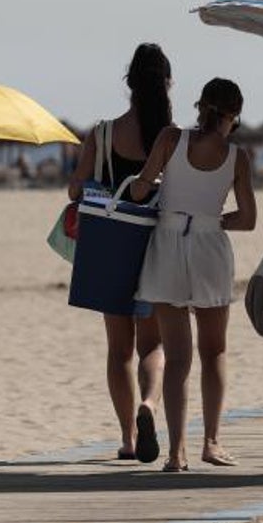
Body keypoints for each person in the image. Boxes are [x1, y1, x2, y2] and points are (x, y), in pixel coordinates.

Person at [133, 78, 256, 472]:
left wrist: (145, 188)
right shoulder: (237, 156)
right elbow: (249, 219)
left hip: (167, 242)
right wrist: (217, 219)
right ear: (233, 117)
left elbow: (139, 191)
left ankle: (176, 453)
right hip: (208, 243)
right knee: (214, 350)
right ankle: (212, 442)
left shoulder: (171, 139)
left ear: (200, 106)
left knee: (177, 354)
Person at [67, 43, 173, 463]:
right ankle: (149, 404)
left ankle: (129, 438)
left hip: (112, 242)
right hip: (155, 243)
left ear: (128, 83)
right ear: (167, 83)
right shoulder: (171, 135)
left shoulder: (103, 133)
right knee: (153, 345)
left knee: (118, 350)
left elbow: (76, 188)